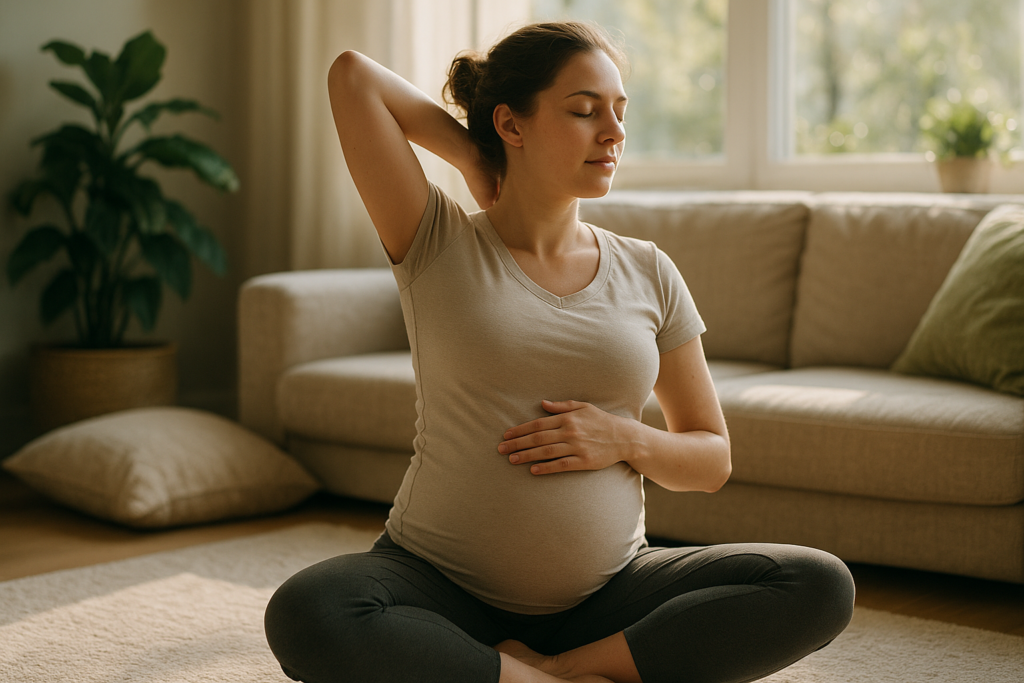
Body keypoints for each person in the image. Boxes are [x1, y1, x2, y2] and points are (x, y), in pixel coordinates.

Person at [264, 21, 855, 683]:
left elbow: (711, 458)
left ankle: (550, 670)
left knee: (818, 583)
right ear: (512, 125)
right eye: (584, 110)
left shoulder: (649, 270)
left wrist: (625, 438)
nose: (614, 132)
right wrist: (471, 156)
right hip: (437, 582)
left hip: (607, 595)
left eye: (620, 112)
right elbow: (352, 77)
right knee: (309, 610)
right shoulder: (437, 242)